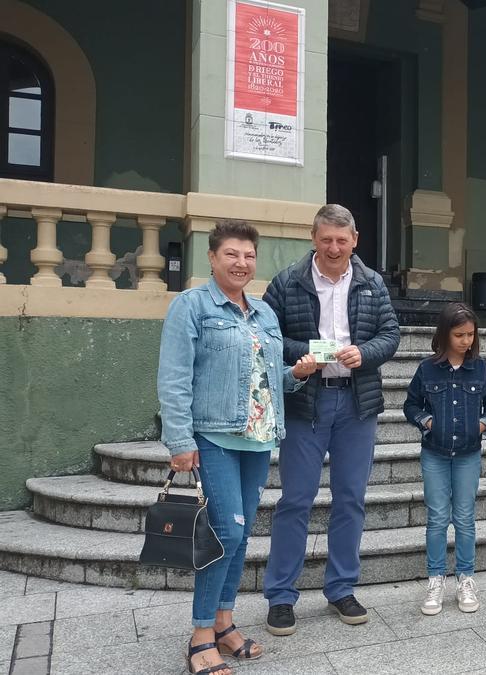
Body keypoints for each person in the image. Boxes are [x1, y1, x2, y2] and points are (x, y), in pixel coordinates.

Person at [157, 220, 319, 675]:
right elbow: (174, 378)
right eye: (231, 254)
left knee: (242, 531)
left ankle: (226, 623)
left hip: (257, 437)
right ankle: (201, 633)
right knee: (225, 532)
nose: (241, 263)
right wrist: (180, 441)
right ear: (211, 258)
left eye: (248, 255)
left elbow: (269, 381)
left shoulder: (264, 313)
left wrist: (298, 374)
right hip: (213, 435)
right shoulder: (191, 307)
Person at [261, 204, 401, 635]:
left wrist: (366, 354)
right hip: (307, 403)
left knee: (350, 501)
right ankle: (281, 596)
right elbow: (267, 335)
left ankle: (341, 587)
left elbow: (390, 335)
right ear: (314, 238)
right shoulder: (287, 281)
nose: (335, 247)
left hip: (356, 405)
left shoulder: (372, 283)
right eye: (327, 239)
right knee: (295, 502)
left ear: (355, 240)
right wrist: (303, 355)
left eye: (342, 240)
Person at [403, 303, 486, 615]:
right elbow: (410, 405)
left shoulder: (481, 369)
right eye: (459, 334)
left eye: (471, 334)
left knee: (464, 518)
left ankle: (466, 578)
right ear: (444, 334)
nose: (466, 341)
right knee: (436, 517)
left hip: (469, 455)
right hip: (435, 453)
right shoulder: (426, 369)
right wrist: (427, 422)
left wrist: (483, 424)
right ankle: (435, 579)